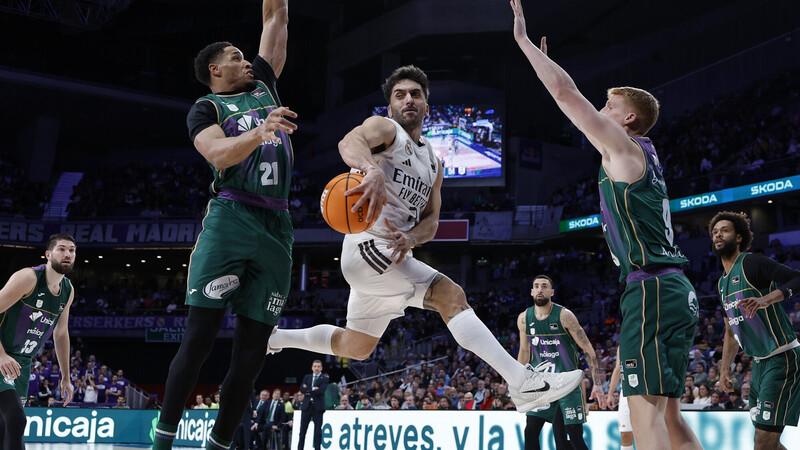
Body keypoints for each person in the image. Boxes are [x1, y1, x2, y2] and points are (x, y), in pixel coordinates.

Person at [268, 64, 582, 412]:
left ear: (426, 106)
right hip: (368, 245)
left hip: (393, 253)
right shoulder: (385, 130)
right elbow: (349, 141)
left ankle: (275, 337)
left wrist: (412, 237)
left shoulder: (434, 163)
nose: (408, 100)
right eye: (400, 95)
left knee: (356, 346)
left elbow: (432, 221)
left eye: (415, 94)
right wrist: (372, 169)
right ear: (390, 106)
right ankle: (522, 382)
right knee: (451, 295)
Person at [509, 2, 702, 448]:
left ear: (628, 119)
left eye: (608, 106)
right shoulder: (645, 157)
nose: (600, 110)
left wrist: (522, 42)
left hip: (651, 287)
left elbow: (564, 94)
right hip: (674, 290)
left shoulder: (625, 147)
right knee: (671, 416)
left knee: (644, 413)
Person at [151, 1, 298, 449]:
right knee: (199, 341)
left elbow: (276, 16)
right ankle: (162, 443)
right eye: (236, 56)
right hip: (231, 216)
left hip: (278, 223)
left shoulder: (264, 85)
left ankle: (218, 446)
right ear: (215, 69)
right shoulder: (206, 108)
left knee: (251, 356)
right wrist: (260, 131)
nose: (245, 60)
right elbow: (217, 154)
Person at [709, 211, 800, 449]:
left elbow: (797, 278)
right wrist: (724, 369)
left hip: (782, 358)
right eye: (715, 231)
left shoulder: (751, 263)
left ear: (739, 237)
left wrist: (768, 298)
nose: (718, 234)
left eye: (725, 230)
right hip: (758, 366)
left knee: (762, 441)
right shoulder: (721, 283)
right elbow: (730, 330)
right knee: (768, 441)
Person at [0, 234, 76, 450]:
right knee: (16, 418)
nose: (68, 254)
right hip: (2, 354)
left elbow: (61, 334)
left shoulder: (68, 291)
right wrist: (1, 355)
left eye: (72, 250)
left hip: (21, 362)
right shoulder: (29, 278)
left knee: (5, 425)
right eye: (62, 249)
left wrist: (66, 377)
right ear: (48, 254)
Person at [518, 275, 607, 450]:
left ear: (552, 292)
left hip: (567, 385)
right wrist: (518, 382)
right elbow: (524, 351)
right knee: (530, 431)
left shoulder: (565, 316)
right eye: (536, 286)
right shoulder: (524, 318)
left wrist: (597, 384)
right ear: (531, 291)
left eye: (544, 286)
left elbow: (588, 349)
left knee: (568, 436)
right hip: (541, 385)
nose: (540, 289)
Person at [607, 348, 634, 450]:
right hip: (627, 391)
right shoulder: (623, 343)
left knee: (646, 434)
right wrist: (610, 394)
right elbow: (618, 368)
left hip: (647, 391)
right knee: (625, 434)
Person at [297, 361, 328, 450]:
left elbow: (321, 391)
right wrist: (313, 389)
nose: (316, 368)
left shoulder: (324, 378)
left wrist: (308, 390)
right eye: (315, 366)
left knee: (317, 431)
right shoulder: (307, 377)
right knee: (302, 431)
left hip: (318, 407)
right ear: (312, 367)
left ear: (321, 368)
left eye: (318, 366)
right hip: (307, 406)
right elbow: (302, 389)